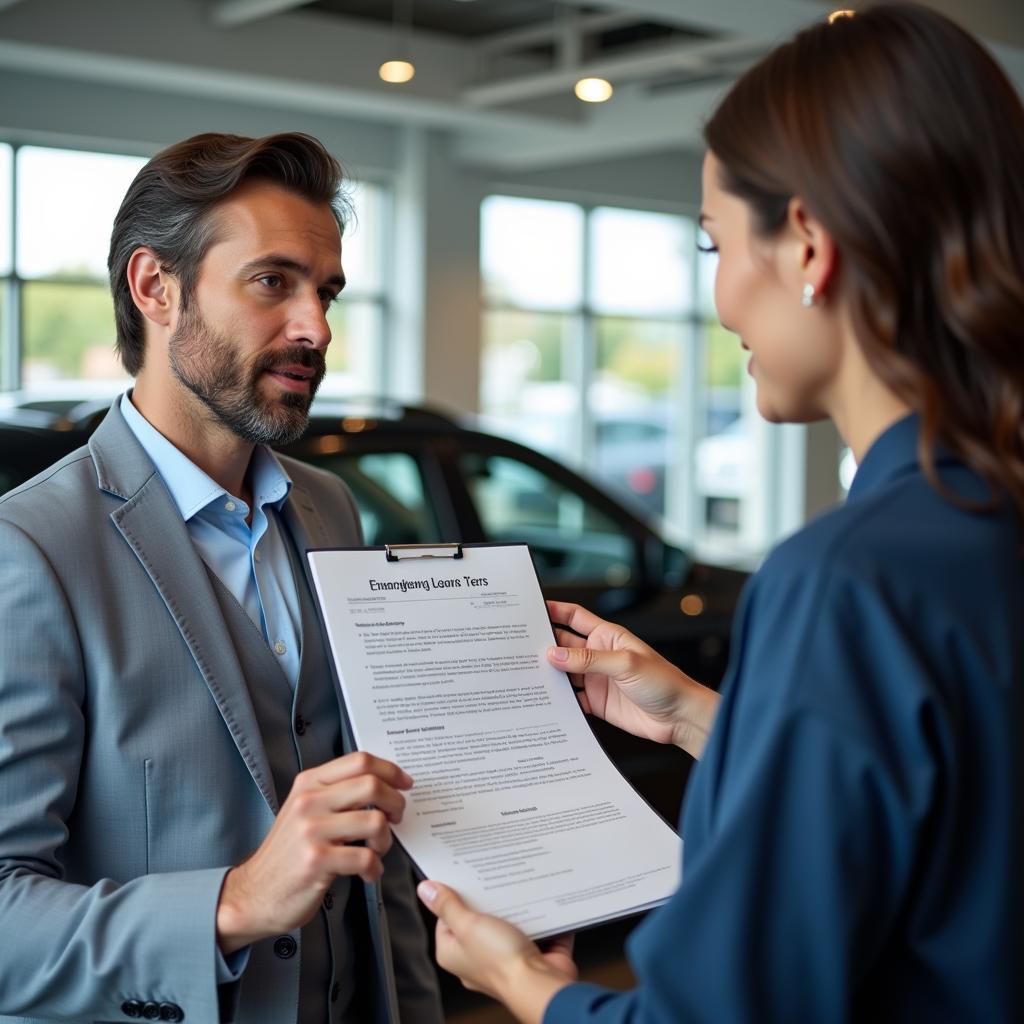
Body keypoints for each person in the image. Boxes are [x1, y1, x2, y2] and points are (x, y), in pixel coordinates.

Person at [415, 5, 1023, 1021]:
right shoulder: (978, 523)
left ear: (807, 244)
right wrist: (701, 715)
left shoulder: (845, 580)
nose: (722, 297)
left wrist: (523, 982)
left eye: (711, 246)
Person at [0, 133, 442, 1024]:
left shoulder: (332, 512)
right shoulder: (30, 550)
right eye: (272, 282)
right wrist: (233, 903)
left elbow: (377, 840)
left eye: (326, 292)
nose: (315, 328)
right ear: (155, 288)